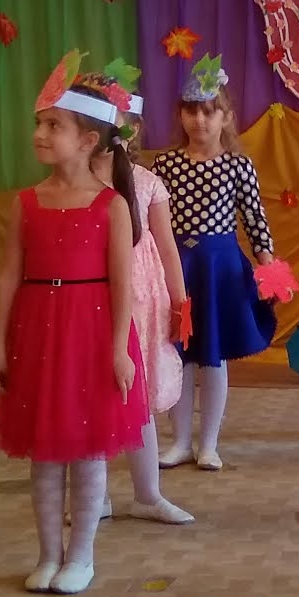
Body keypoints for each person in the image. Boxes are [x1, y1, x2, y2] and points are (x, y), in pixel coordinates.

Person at [0, 53, 150, 595]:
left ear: (88, 140)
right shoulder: (26, 202)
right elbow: (8, 276)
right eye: (39, 123)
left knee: (85, 450)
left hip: (91, 332)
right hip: (38, 333)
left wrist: (119, 349)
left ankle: (81, 557)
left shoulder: (111, 206)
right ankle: (47, 555)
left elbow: (123, 285)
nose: (40, 133)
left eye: (53, 125)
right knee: (44, 452)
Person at [152, 54, 277, 472]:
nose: (199, 120)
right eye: (191, 111)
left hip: (219, 271)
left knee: (213, 356)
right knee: (179, 354)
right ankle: (179, 442)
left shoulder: (238, 166)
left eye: (209, 112)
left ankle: (208, 444)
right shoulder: (166, 164)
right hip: (178, 268)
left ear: (226, 117)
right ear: (180, 115)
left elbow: (255, 220)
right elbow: (153, 221)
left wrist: (270, 270)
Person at [99, 104, 193, 524]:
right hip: (94, 296)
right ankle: (94, 496)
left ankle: (147, 494)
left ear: (131, 129)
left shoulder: (147, 182)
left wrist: (181, 304)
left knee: (137, 394)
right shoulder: (78, 185)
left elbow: (167, 247)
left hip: (143, 298)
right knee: (95, 394)